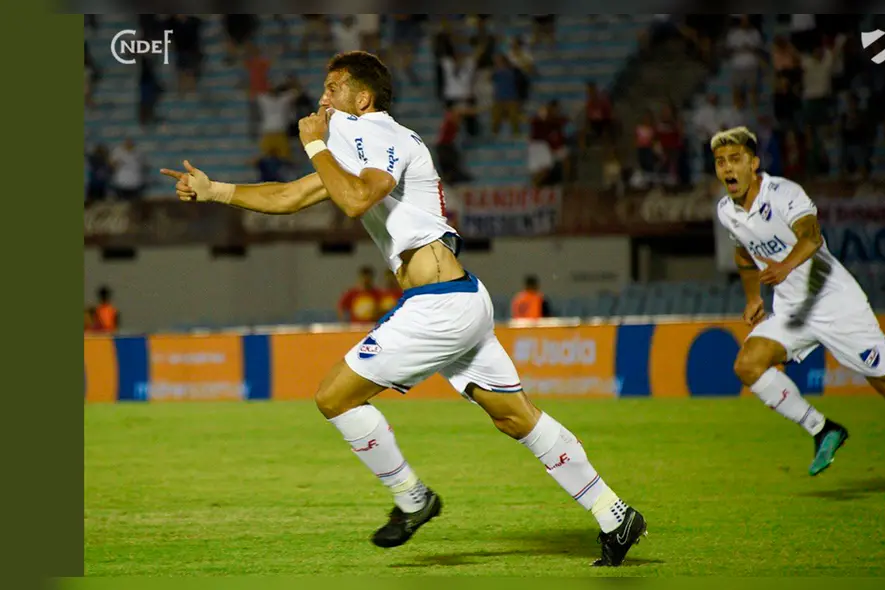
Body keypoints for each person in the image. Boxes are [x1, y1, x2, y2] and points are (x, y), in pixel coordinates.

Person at [160, 51, 646, 567]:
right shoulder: (360, 142)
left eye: (333, 87)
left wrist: (315, 143)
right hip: (460, 297)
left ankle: (413, 499)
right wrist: (217, 191)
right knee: (514, 417)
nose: (322, 98)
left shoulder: (374, 132)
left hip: (437, 303)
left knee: (334, 397)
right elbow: (291, 196)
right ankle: (615, 514)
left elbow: (355, 200)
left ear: (361, 97)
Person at [711, 126, 885, 477]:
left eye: (735, 160)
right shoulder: (727, 211)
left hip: (834, 301)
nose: (727, 168)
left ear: (753, 164)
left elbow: (811, 237)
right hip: (793, 311)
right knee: (747, 364)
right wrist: (753, 295)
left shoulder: (783, 193)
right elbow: (743, 249)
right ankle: (822, 428)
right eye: (720, 162)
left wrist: (785, 267)